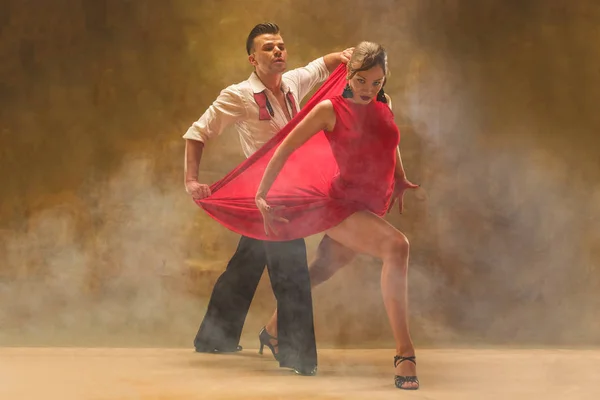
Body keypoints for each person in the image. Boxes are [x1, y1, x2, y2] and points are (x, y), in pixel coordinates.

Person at [197, 41, 420, 389]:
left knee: (321, 270)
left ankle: (272, 331)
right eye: (361, 81)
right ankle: (405, 354)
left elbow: (389, 138)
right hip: (341, 204)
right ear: (349, 74)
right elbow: (283, 147)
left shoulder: (383, 102)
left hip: (371, 200)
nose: (368, 90)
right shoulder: (330, 109)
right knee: (397, 247)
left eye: (376, 83)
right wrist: (261, 192)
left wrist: (401, 177)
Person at [184, 22, 353, 375]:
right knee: (291, 273)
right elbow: (198, 132)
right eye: (268, 48)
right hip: (268, 199)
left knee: (246, 264)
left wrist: (348, 57)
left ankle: (215, 336)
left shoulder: (293, 82)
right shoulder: (238, 95)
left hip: (294, 190)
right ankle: (297, 356)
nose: (277, 51)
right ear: (252, 58)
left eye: (280, 46)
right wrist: (191, 179)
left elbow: (322, 65)